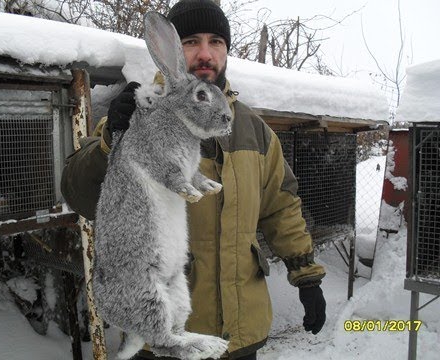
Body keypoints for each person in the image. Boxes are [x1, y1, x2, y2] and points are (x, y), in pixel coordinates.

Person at [61, 0, 326, 359]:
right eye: (190, 41)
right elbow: (79, 194)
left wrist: (305, 275)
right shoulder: (135, 118)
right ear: (171, 50)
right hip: (163, 331)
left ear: (227, 51)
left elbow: (280, 206)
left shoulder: (254, 130)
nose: (205, 53)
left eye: (216, 41)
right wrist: (112, 143)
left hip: (240, 332)